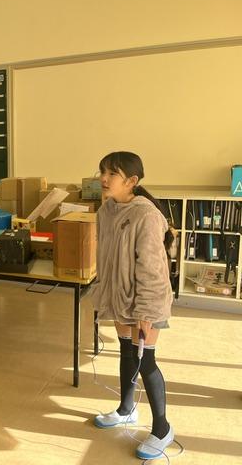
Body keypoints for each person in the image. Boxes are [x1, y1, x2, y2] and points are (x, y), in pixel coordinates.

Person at [91, 151, 174, 460]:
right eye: (102, 171)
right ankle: (127, 409)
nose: (103, 178)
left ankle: (162, 429)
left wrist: (146, 311)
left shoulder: (146, 215)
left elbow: (152, 269)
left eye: (112, 173)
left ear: (132, 181)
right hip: (119, 296)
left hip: (147, 300)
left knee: (146, 360)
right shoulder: (106, 211)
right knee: (127, 352)